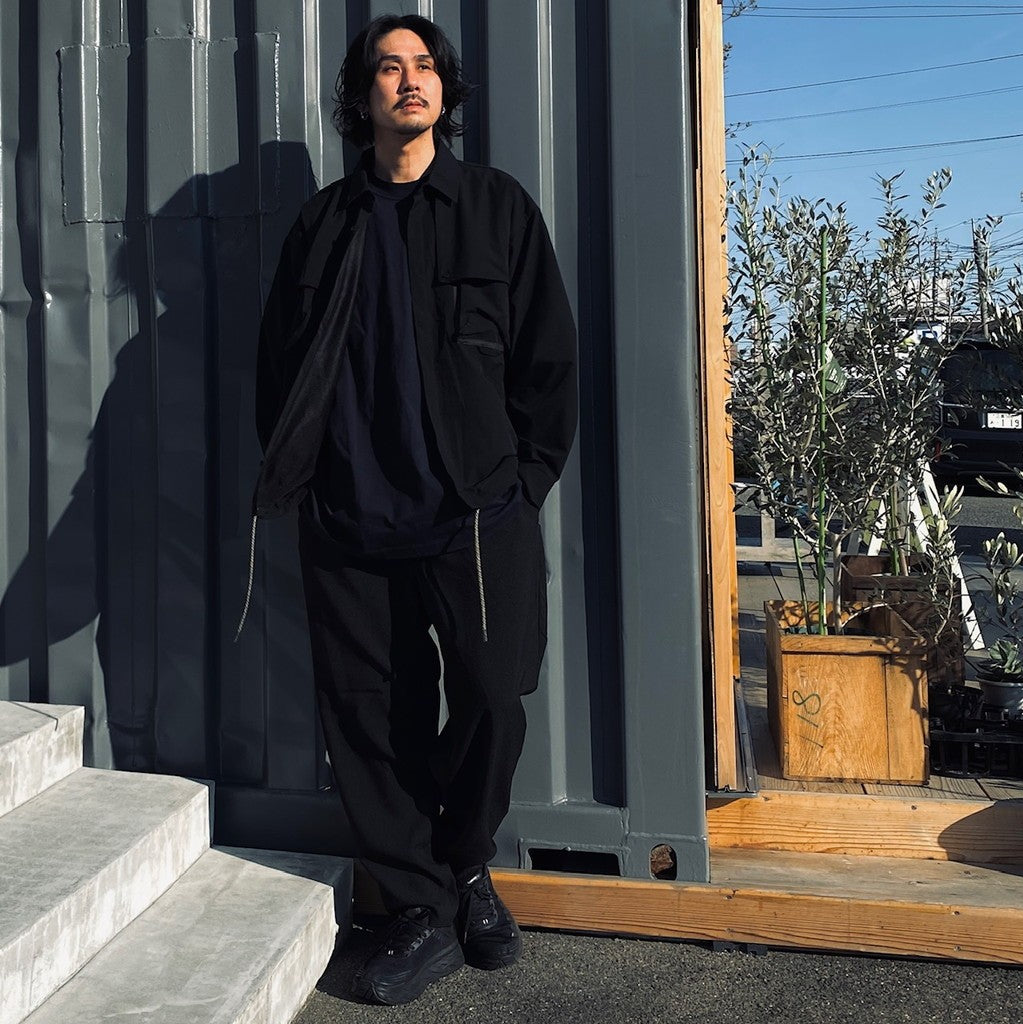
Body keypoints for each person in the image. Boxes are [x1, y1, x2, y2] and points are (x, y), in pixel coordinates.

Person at [250, 12, 577, 1006]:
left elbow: (548, 361)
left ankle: (465, 864)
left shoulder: (494, 207)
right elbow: (278, 370)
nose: (409, 80)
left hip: (473, 516)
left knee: (493, 694)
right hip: (349, 520)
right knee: (367, 718)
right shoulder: (322, 225)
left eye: (424, 65)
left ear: (445, 88)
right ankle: (420, 904)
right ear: (363, 97)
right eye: (388, 68)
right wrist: (309, 481)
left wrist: (521, 484)